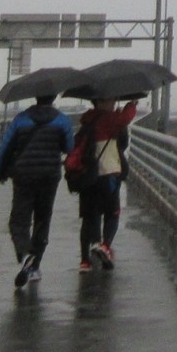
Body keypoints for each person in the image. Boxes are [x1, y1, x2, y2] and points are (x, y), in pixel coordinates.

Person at [0, 92, 75, 288]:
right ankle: (34, 266)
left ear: (35, 97)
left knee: (18, 221)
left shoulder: (21, 119)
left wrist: (1, 172)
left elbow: (6, 147)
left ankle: (24, 254)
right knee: (42, 220)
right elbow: (69, 147)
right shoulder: (62, 120)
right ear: (53, 97)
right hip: (49, 176)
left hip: (23, 176)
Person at [67, 96, 138, 271]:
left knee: (89, 217)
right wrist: (132, 104)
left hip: (87, 175)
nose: (113, 103)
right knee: (112, 213)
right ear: (100, 102)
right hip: (107, 173)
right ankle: (105, 246)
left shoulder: (87, 121)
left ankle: (85, 261)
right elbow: (125, 120)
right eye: (110, 100)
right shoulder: (107, 119)